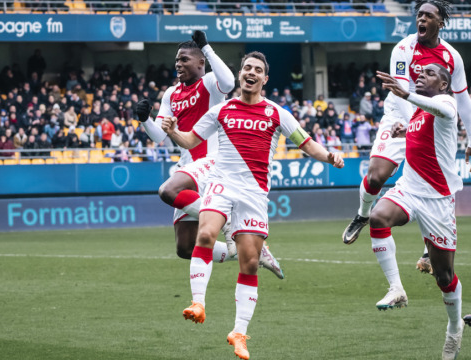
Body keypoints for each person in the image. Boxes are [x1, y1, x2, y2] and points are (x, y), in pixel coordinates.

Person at [161, 52, 344, 360]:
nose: (251, 73)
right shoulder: (221, 111)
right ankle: (198, 302)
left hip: (254, 195)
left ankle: (239, 333)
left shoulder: (277, 113)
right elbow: (191, 141)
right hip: (221, 184)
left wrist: (330, 156)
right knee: (205, 235)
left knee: (248, 263)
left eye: (258, 70)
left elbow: (306, 142)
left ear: (264, 79)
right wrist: (172, 132)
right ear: (241, 73)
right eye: (247, 67)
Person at [136, 31, 284, 278]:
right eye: (177, 60)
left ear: (200, 63)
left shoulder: (209, 83)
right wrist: (144, 120)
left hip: (213, 163)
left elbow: (228, 83)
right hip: (188, 167)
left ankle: (227, 224)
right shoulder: (171, 94)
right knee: (184, 248)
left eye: (184, 59)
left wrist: (205, 46)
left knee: (167, 191)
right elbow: (159, 136)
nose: (178, 64)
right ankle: (248, 250)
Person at [342, 0, 471, 275]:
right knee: (376, 176)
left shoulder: (452, 57)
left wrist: (470, 139)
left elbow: (463, 101)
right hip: (401, 114)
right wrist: (413, 125)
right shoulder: (403, 48)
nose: (421, 19)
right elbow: (399, 91)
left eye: (428, 16)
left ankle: (431, 242)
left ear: (440, 23)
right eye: (419, 15)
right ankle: (363, 214)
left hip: (434, 122)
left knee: (429, 181)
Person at [371, 64, 464, 359]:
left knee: (444, 277)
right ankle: (396, 287)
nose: (421, 75)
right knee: (377, 217)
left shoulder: (446, 102)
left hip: (437, 201)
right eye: (419, 72)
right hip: (409, 190)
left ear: (444, 83)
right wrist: (403, 133)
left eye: (430, 74)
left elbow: (446, 114)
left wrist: (406, 93)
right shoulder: (417, 113)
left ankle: (454, 328)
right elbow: (422, 141)